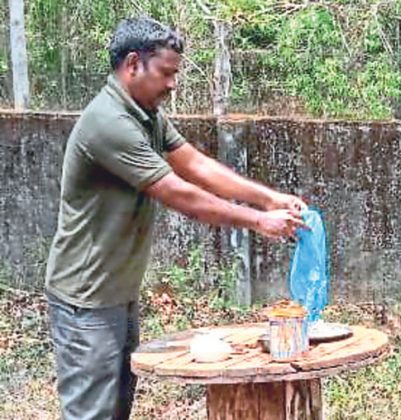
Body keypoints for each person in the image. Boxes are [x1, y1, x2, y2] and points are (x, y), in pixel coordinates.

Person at [45, 17, 306, 420]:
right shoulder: (109, 123)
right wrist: (257, 221)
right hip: (86, 302)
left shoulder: (144, 114)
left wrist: (270, 198)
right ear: (133, 64)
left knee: (115, 410)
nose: (173, 84)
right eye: (166, 73)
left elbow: (196, 165)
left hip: (115, 295)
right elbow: (179, 194)